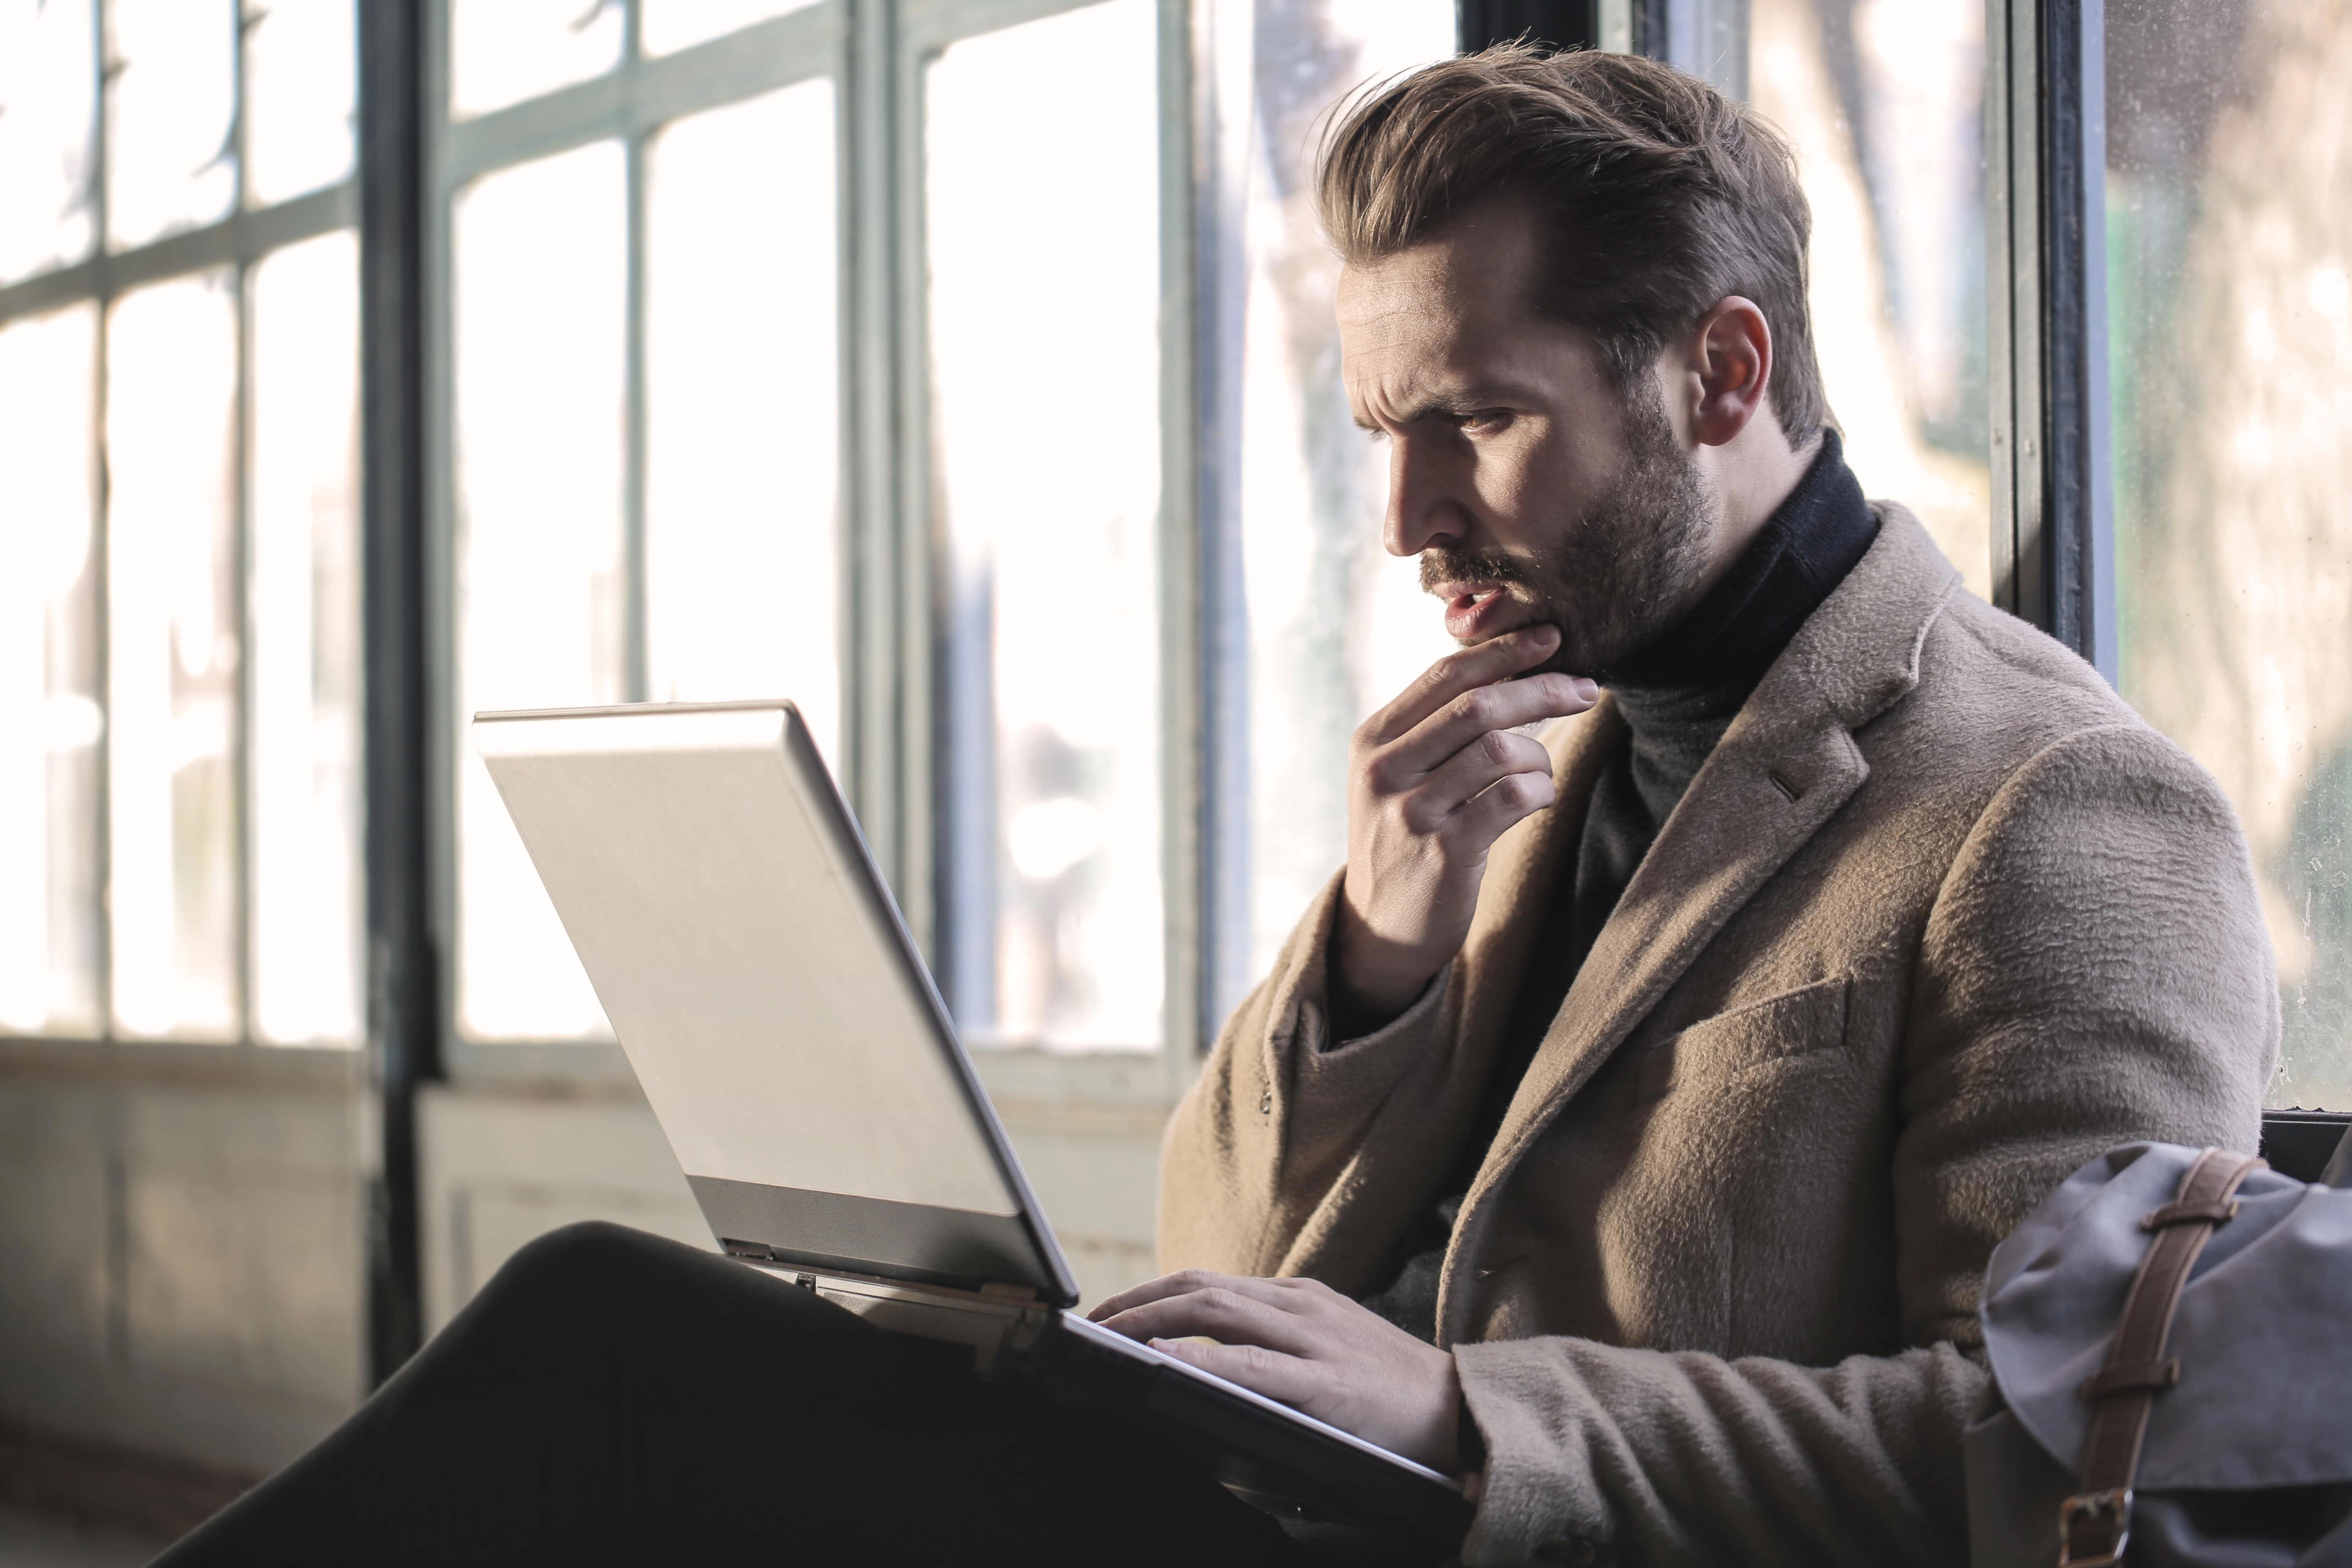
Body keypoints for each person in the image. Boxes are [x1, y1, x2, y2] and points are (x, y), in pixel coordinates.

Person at [155, 43, 2276, 1568]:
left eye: (1476, 422)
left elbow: (2061, 1459)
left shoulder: (2058, 808)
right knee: (617, 1331)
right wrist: (1373, 954)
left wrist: (1463, 1415)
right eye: (1382, 430)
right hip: (1263, 1512)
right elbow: (1223, 1262)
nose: (1408, 518)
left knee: (617, 1366)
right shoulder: (1523, 733)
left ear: (1721, 378)